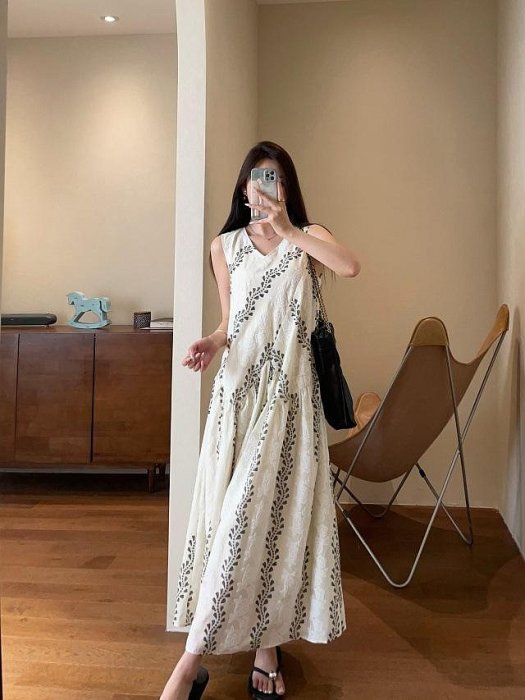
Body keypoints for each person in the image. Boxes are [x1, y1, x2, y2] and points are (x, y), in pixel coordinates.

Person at [159, 141, 361, 700]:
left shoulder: (308, 237)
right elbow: (231, 322)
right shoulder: (224, 246)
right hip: (237, 400)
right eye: (258, 178)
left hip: (289, 403)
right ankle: (260, 651)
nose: (266, 187)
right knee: (237, 524)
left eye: (276, 178)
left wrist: (289, 228)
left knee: (266, 522)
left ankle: (189, 668)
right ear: (244, 188)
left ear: (287, 188)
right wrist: (212, 341)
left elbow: (350, 266)